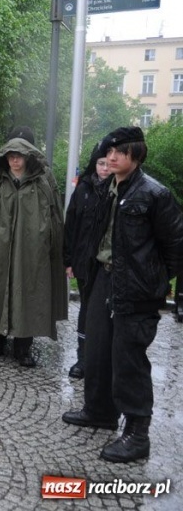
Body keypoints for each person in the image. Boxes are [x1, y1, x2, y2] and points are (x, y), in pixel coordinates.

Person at [63, 127, 183, 463]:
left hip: (137, 288)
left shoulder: (154, 194)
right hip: (104, 278)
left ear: (136, 154)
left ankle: (137, 435)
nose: (112, 157)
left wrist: (156, 280)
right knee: (99, 350)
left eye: (120, 152)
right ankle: (100, 411)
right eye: (109, 151)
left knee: (129, 359)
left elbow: (175, 246)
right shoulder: (106, 188)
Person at [0, 135, 68, 367]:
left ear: (27, 157)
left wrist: (52, 247)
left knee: (28, 294)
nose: (15, 161)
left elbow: (54, 218)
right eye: (11, 156)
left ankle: (23, 346)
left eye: (19, 156)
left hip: (30, 250)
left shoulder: (42, 182)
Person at [63, 143, 111, 379]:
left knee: (103, 312)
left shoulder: (118, 189)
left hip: (107, 265)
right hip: (83, 261)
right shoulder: (83, 189)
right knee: (86, 309)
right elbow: (71, 226)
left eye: (107, 164)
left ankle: (102, 359)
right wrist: (68, 260)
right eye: (100, 163)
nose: (104, 168)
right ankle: (83, 358)